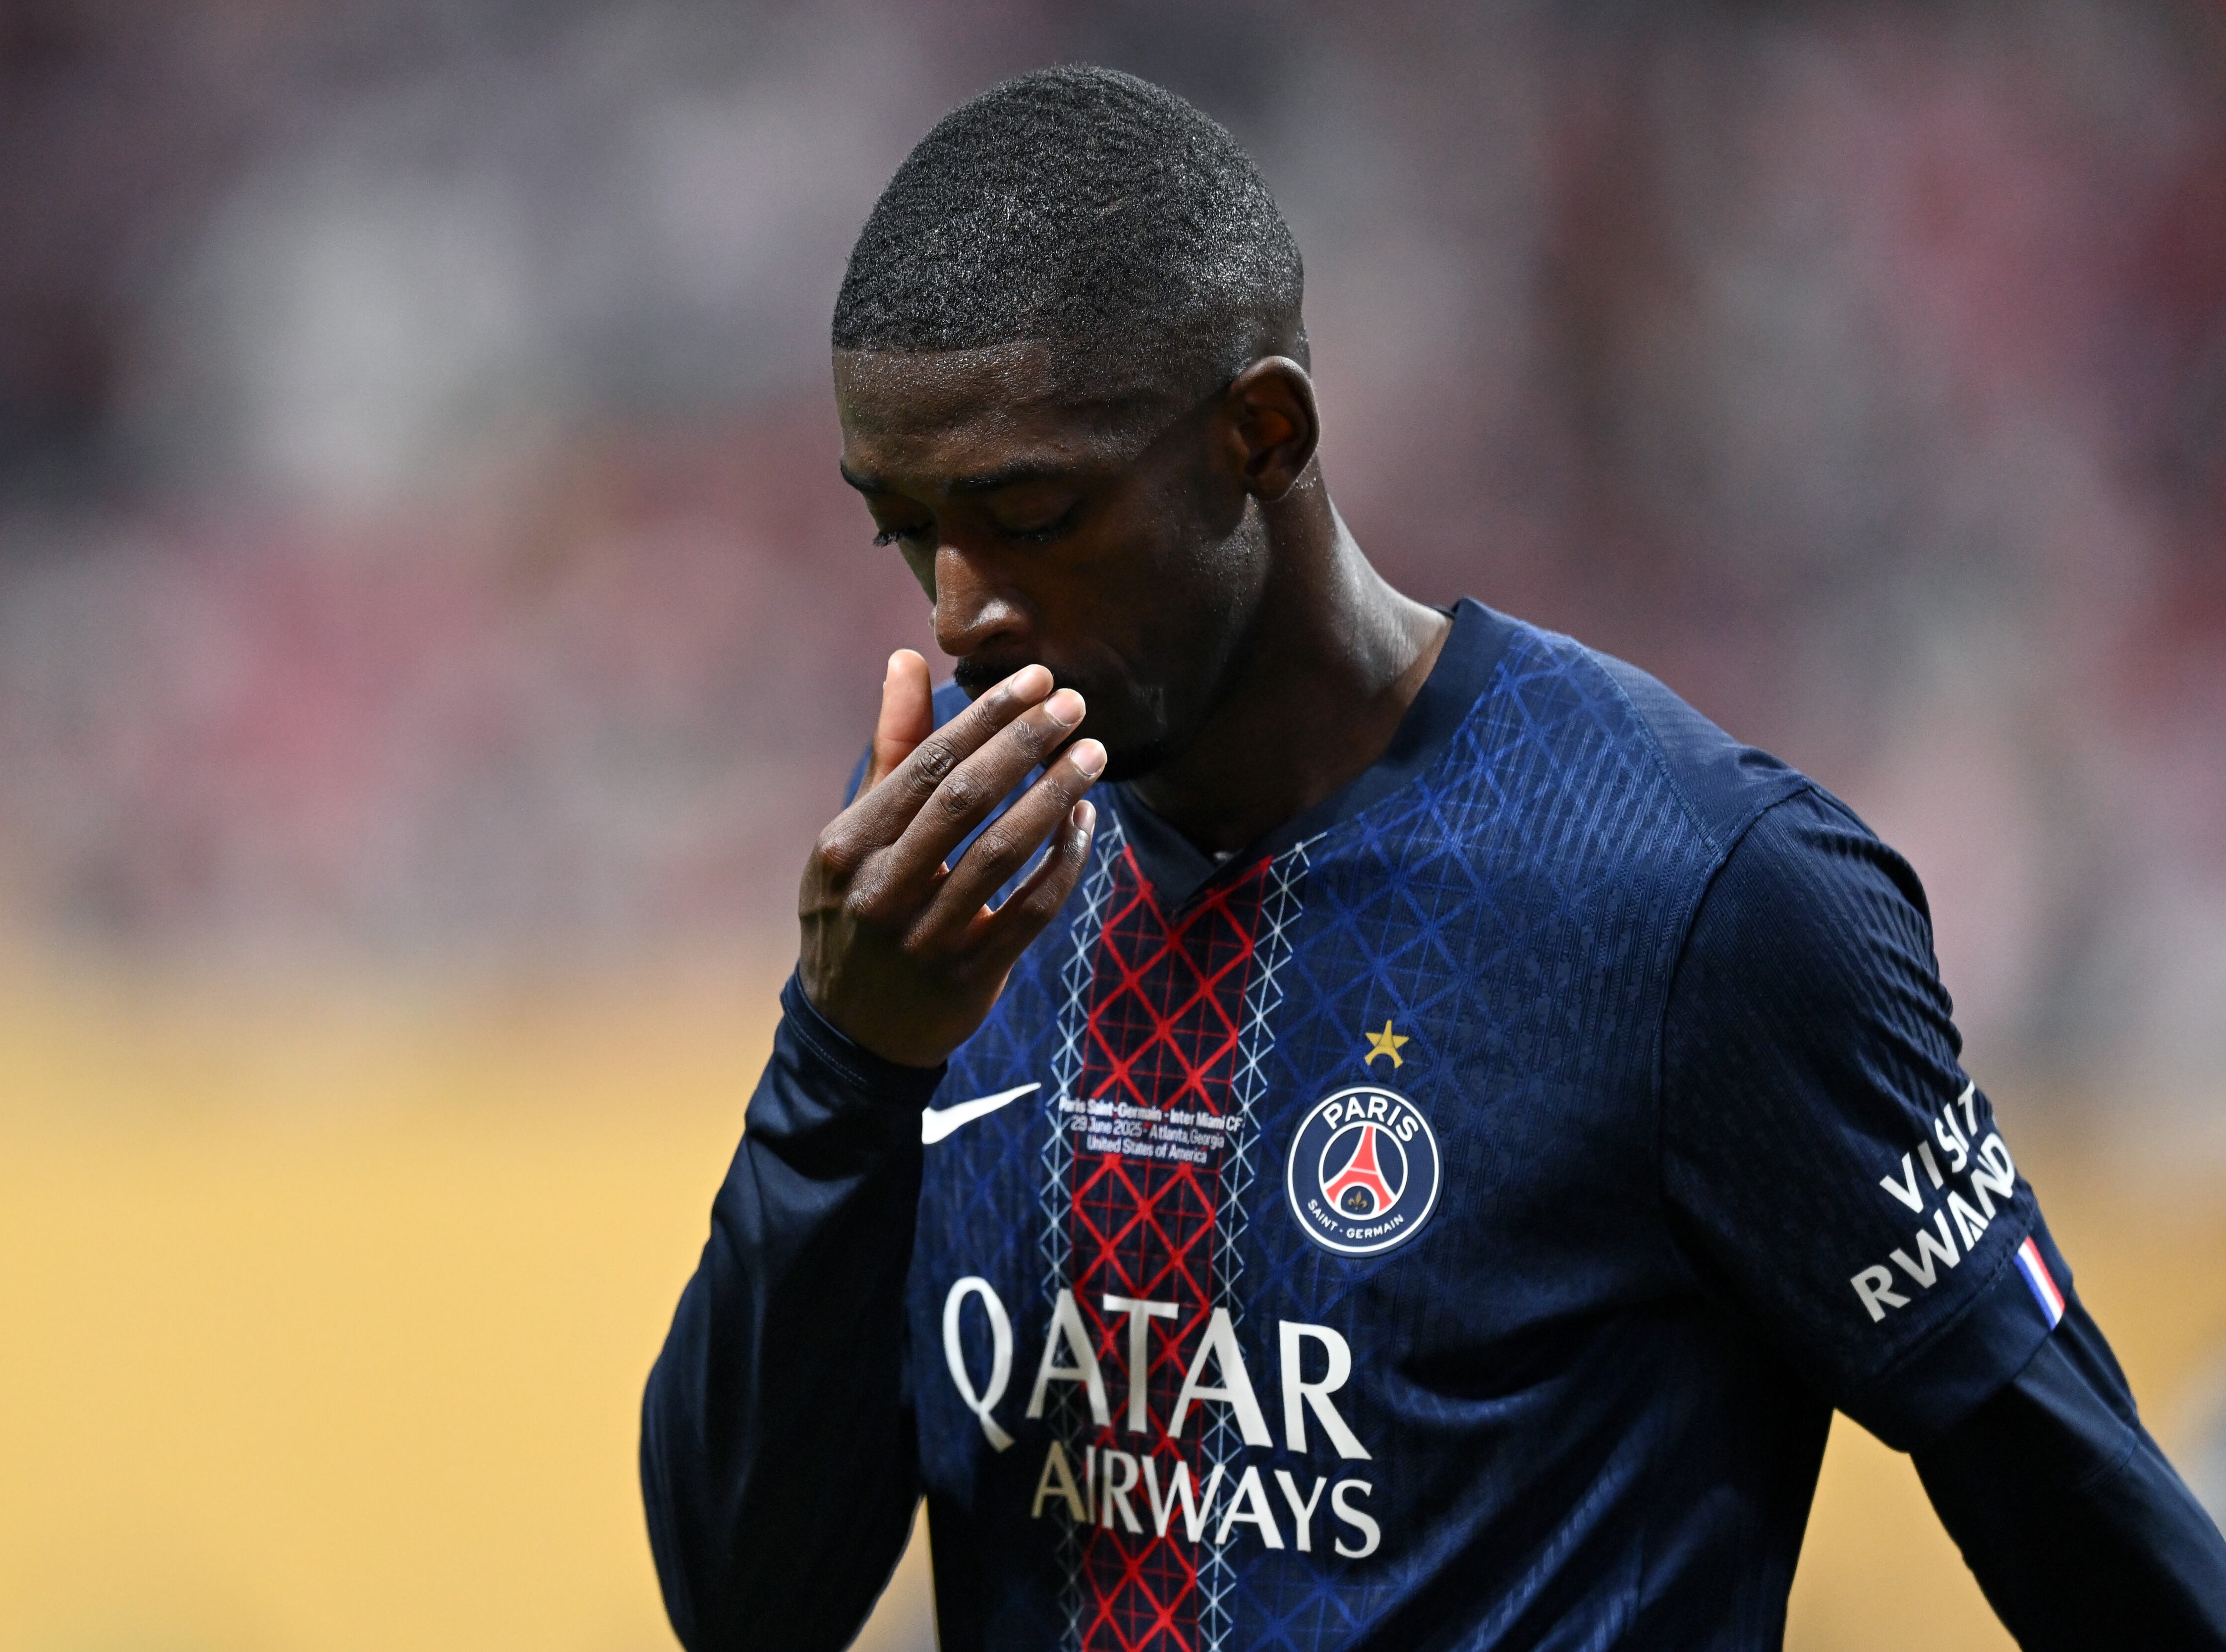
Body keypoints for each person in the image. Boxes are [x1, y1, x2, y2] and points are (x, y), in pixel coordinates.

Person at [639, 65, 2226, 1652]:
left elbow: (2106, 1547)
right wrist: (845, 1066)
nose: (960, 611)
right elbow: (746, 1610)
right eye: (907, 527)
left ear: (1262, 436)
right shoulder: (956, 870)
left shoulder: (1695, 898)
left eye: (1031, 513)